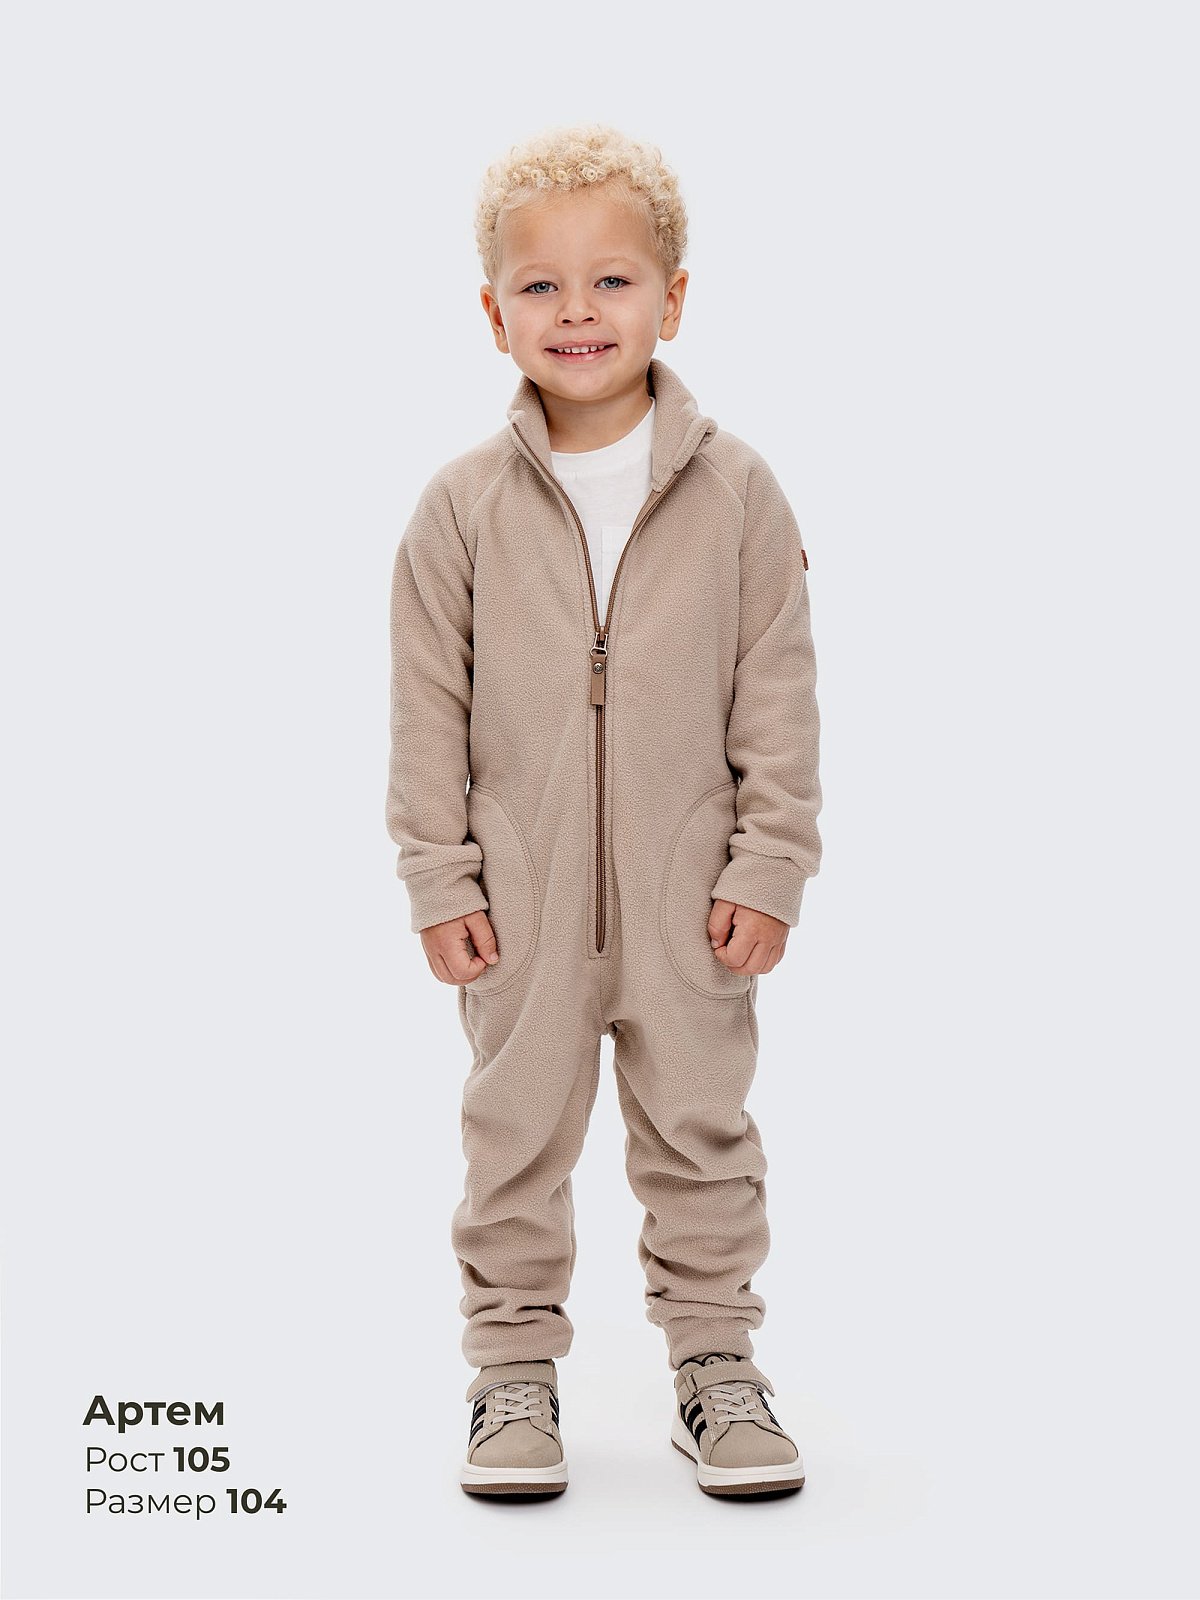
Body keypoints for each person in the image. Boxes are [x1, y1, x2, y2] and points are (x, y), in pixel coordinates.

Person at [386, 123, 822, 1499]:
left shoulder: (739, 492)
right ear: (493, 313)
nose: (578, 311)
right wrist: (441, 880)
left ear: (673, 299)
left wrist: (770, 864)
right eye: (542, 286)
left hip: (697, 900)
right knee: (512, 1139)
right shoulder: (458, 510)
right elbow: (424, 714)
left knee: (704, 1134)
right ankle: (512, 1372)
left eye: (614, 280)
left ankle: (715, 1366)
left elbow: (779, 698)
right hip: (519, 906)